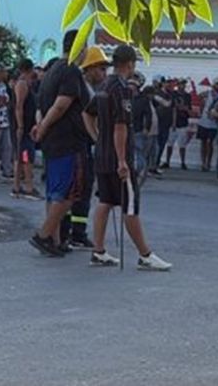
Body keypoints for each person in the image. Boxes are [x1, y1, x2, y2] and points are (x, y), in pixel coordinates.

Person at [84, 45, 172, 271]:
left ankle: (99, 250)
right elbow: (120, 126)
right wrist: (123, 160)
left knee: (105, 201)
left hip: (102, 155)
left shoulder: (104, 85)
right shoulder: (122, 89)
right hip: (117, 157)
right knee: (129, 206)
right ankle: (145, 255)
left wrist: (97, 138)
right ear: (131, 64)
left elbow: (87, 113)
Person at [29, 30, 91, 257]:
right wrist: (43, 127)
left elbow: (41, 105)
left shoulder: (53, 70)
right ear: (79, 47)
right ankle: (44, 235)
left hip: (52, 142)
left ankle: (54, 240)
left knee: (54, 192)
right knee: (69, 193)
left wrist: (40, 126)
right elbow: (61, 105)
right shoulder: (70, 71)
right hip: (68, 141)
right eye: (85, 47)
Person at [61, 46, 109, 250]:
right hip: (80, 145)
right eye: (101, 68)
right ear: (89, 68)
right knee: (78, 190)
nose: (104, 74)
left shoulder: (91, 89)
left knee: (82, 190)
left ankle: (75, 231)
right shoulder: (84, 88)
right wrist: (97, 139)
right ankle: (74, 233)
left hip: (83, 145)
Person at [12, 59, 42, 199]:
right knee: (25, 156)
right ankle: (27, 187)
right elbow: (19, 106)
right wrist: (20, 125)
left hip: (28, 125)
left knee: (22, 156)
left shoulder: (27, 84)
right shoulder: (22, 84)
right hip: (23, 128)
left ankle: (17, 186)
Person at [130, 73, 155, 185]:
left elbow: (148, 114)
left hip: (137, 130)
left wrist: (146, 128)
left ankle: (137, 172)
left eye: (133, 84)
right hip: (124, 130)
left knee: (139, 153)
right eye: (130, 83)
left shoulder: (143, 99)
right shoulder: (122, 96)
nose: (131, 86)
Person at [164, 79, 192, 170]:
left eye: (183, 84)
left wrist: (184, 108)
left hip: (183, 122)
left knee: (182, 145)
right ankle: (167, 161)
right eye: (180, 84)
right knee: (170, 144)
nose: (182, 86)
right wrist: (173, 123)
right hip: (173, 123)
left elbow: (189, 109)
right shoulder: (173, 94)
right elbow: (172, 108)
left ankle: (183, 162)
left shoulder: (187, 96)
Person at [197, 78, 218, 173]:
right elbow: (199, 97)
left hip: (214, 123)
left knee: (209, 142)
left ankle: (208, 162)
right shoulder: (208, 93)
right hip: (204, 121)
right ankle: (203, 162)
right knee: (203, 142)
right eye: (217, 84)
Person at [153, 77, 174, 171]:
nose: (168, 84)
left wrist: (173, 122)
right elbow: (166, 104)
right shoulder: (157, 93)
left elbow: (173, 109)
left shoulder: (170, 94)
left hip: (166, 123)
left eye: (169, 83)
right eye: (166, 83)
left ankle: (156, 163)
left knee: (162, 145)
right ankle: (152, 164)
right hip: (158, 123)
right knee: (156, 145)